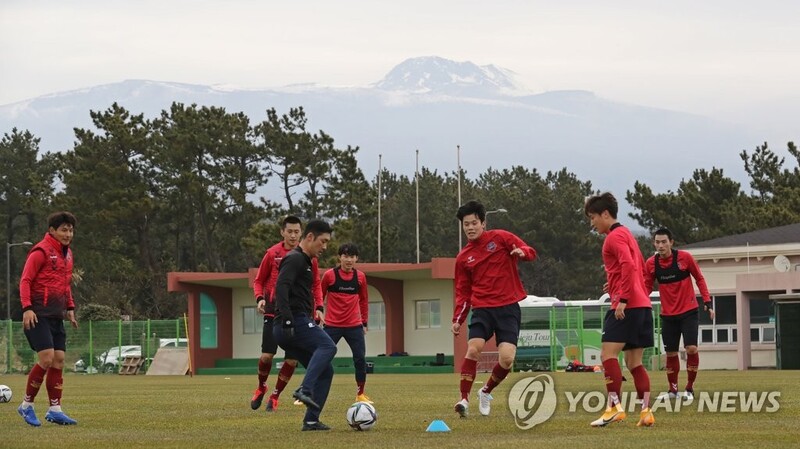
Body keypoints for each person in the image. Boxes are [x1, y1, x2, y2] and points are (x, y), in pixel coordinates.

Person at [451, 200, 537, 418]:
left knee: (507, 359)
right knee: (473, 348)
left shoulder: (501, 238)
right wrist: (458, 319)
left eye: (474, 223)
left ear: (483, 222)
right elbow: (463, 291)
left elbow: (530, 251)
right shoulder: (463, 258)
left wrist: (521, 252)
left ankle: (486, 391)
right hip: (482, 309)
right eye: (466, 224)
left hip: (508, 308)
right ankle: (463, 399)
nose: (470, 227)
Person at [584, 192, 655, 427]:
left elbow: (626, 264)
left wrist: (623, 297)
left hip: (628, 306)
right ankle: (646, 413)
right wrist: (615, 285)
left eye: (593, 217)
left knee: (607, 355)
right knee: (635, 364)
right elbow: (638, 268)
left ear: (605, 214)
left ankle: (614, 407)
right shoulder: (628, 235)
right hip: (642, 305)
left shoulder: (613, 238)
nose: (591, 222)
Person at [250, 215, 323, 412]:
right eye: (289, 231)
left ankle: (275, 395)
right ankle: (261, 387)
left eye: (296, 232)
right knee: (267, 356)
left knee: (291, 360)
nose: (292, 235)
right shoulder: (272, 253)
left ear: (302, 234)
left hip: (299, 313)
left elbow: (316, 283)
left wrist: (318, 307)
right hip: (275, 312)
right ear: (282, 232)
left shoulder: (309, 257)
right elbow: (259, 280)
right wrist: (260, 298)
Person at [273, 219, 337, 431]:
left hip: (293, 323)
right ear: (309, 237)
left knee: (326, 371)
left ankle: (311, 421)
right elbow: (281, 288)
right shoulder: (295, 259)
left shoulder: (306, 261)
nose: (325, 247)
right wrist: (289, 319)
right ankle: (305, 390)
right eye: (323, 241)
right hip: (291, 322)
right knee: (328, 346)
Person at [17, 211, 79, 426]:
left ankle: (55, 409)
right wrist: (27, 308)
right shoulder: (40, 251)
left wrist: (70, 307)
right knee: (46, 359)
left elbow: (65, 284)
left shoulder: (68, 254)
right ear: (52, 230)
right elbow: (25, 281)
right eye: (64, 229)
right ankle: (26, 406)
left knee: (59, 361)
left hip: (56, 316)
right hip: (37, 314)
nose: (68, 234)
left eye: (71, 230)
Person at [644, 227, 714, 399]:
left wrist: (707, 301)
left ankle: (689, 389)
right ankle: (673, 390)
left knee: (691, 348)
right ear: (654, 243)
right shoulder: (651, 264)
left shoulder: (685, 258)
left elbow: (699, 278)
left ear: (671, 242)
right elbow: (645, 286)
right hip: (668, 315)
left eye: (664, 242)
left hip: (689, 311)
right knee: (671, 353)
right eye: (657, 242)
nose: (660, 245)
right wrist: (639, 305)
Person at [320, 243, 372, 404]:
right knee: (320, 357)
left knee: (360, 359)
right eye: (345, 256)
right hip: (331, 325)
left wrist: (364, 322)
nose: (348, 260)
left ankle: (360, 393)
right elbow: (319, 297)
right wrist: (316, 318)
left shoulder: (361, 277)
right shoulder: (329, 275)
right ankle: (308, 389)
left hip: (354, 325)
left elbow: (364, 300)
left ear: (356, 258)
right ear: (339, 257)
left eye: (352, 256)